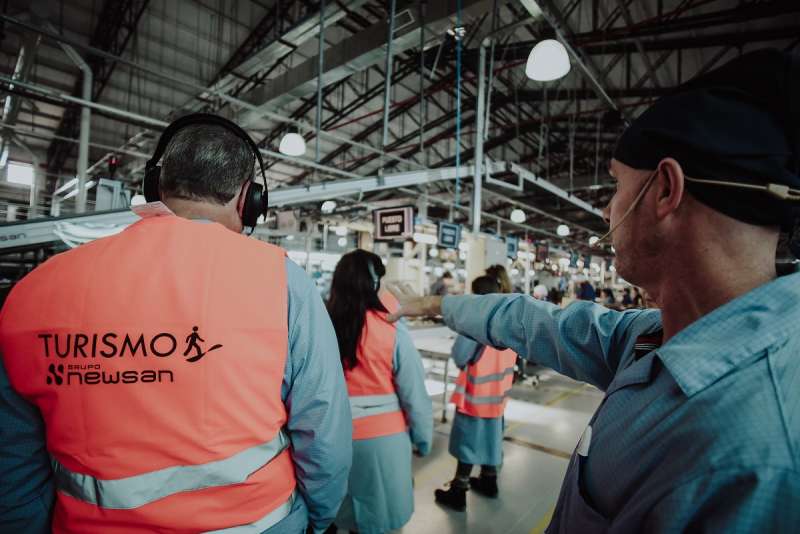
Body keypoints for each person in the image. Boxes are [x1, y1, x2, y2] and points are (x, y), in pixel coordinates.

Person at [387, 49, 800, 532]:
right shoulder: (659, 338)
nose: (607, 212)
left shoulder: (754, 453)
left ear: (666, 190)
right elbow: (540, 323)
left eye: (616, 187)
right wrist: (436, 303)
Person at [0, 114, 352, 533]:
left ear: (155, 187)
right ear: (248, 200)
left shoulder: (35, 290)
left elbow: (14, 462)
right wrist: (320, 514)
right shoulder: (282, 281)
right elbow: (323, 426)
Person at [326, 250, 432, 534]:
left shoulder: (322, 325)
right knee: (380, 520)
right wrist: (424, 439)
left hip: (329, 439)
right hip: (383, 444)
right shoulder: (391, 328)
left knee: (338, 514)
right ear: (374, 284)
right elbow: (414, 393)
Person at [434, 275, 517, 512]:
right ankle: (489, 480)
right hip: (498, 395)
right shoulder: (508, 321)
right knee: (492, 438)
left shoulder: (475, 323)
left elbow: (461, 356)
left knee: (467, 443)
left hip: (475, 395)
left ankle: (458, 491)